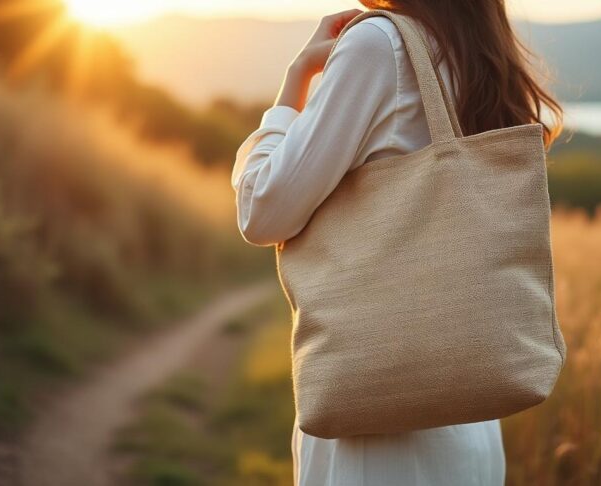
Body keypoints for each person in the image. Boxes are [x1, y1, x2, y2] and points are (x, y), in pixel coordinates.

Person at [231, 2, 563, 485]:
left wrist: (296, 78)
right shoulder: (478, 51)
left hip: (376, 432)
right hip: (469, 432)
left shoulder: (378, 46)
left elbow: (262, 210)